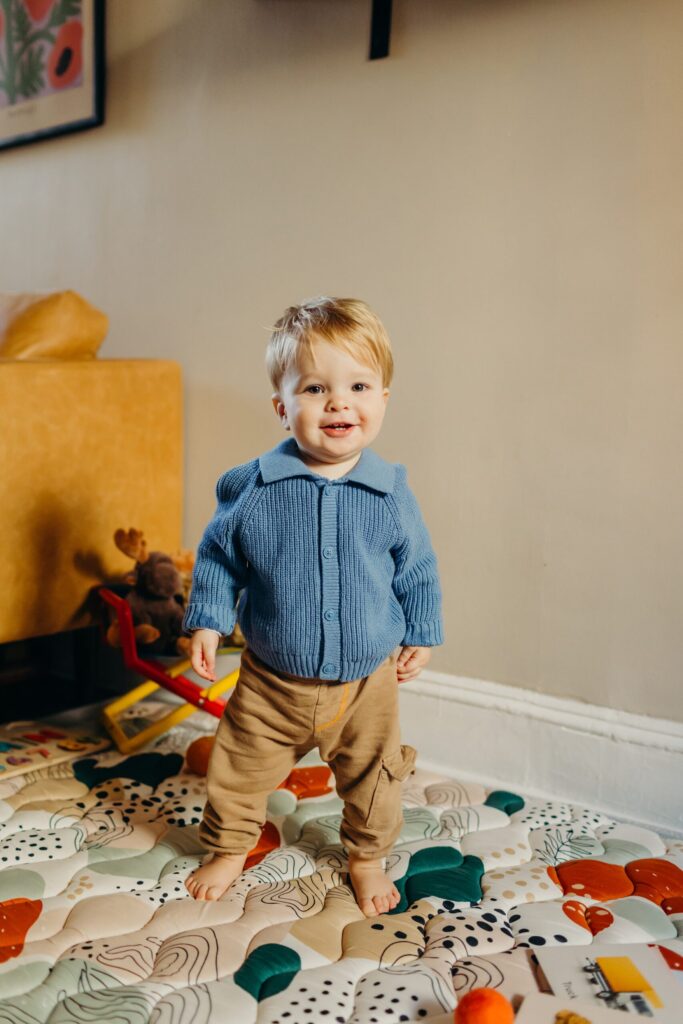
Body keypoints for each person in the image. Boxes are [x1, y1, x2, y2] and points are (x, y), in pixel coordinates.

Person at [183, 297, 443, 916]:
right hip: (272, 682)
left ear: (383, 399)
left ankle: (366, 858)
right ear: (282, 407)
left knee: (376, 779)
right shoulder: (253, 487)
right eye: (315, 388)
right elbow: (219, 557)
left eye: (358, 385)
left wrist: (422, 633)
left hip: (366, 686)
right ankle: (226, 847)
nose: (339, 403)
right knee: (237, 773)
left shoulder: (390, 492)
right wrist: (209, 619)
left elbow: (418, 567)